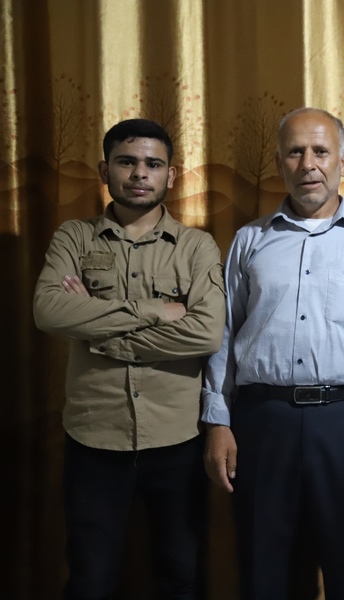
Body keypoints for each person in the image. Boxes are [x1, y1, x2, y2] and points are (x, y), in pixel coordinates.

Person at [201, 107, 344, 600]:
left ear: (343, 161)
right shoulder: (249, 240)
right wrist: (217, 421)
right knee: (262, 569)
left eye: (321, 151)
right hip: (262, 423)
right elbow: (224, 335)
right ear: (279, 162)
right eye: (295, 152)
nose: (308, 164)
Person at [33, 118, 225, 599]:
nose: (140, 173)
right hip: (93, 439)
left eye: (153, 164)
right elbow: (49, 310)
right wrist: (153, 310)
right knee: (89, 580)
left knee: (180, 574)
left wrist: (99, 332)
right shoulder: (74, 237)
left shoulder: (196, 246)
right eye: (127, 161)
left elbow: (206, 332)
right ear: (105, 170)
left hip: (177, 440)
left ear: (170, 175)